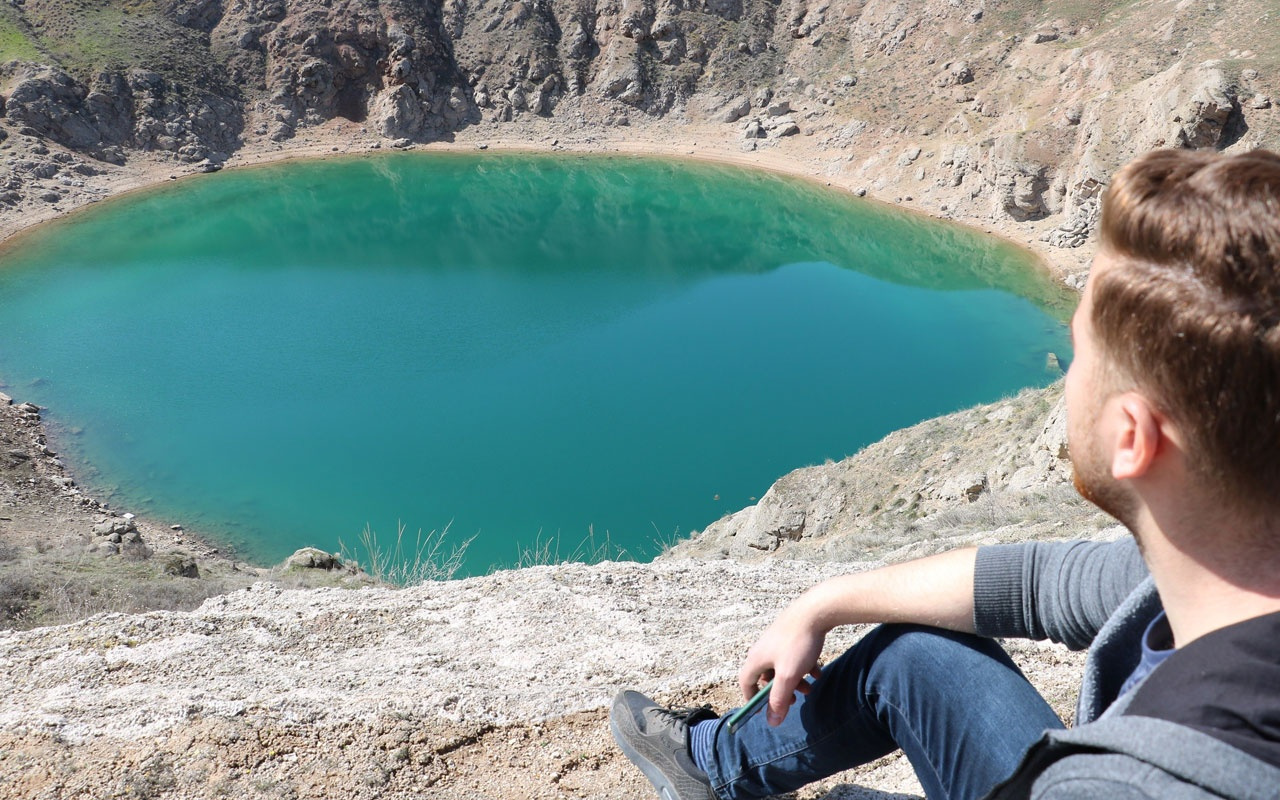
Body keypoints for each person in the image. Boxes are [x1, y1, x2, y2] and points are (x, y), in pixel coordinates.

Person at [610, 146, 1280, 800]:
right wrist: (821, 604)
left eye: (1077, 353)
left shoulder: (1132, 782)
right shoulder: (1221, 569)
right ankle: (714, 767)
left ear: (1132, 437)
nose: (1064, 375)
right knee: (914, 651)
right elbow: (1035, 585)